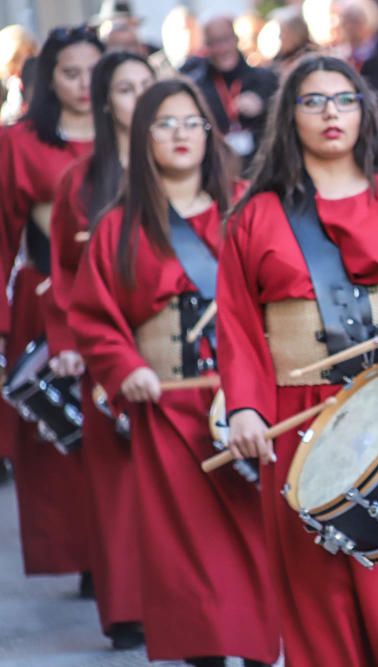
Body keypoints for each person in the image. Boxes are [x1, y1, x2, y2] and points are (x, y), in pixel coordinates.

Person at [216, 54, 378, 666]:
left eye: (344, 99)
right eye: (313, 101)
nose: (331, 113)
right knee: (319, 589)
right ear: (289, 116)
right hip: (301, 421)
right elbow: (237, 325)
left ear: (365, 110)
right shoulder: (255, 215)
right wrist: (247, 408)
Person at [67, 79, 280, 665]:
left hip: (246, 401)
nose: (181, 134)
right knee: (187, 548)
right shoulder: (117, 225)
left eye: (193, 122)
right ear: (142, 138)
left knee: (255, 541)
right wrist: (125, 365)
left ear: (210, 134)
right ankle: (205, 655)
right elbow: (92, 315)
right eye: (165, 123)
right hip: (168, 407)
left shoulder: (249, 206)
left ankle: (261, 651)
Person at [47, 50, 152, 650]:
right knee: (117, 489)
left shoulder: (191, 169)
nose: (136, 98)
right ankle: (129, 609)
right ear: (105, 100)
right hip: (108, 343)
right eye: (124, 89)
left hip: (185, 351)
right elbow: (63, 269)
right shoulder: (81, 180)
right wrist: (69, 341)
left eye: (147, 86)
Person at [0, 25, 102, 588]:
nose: (84, 85)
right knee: (61, 440)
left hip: (127, 301)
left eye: (93, 72)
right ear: (47, 78)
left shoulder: (134, 134)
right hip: (46, 301)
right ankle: (88, 557)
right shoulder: (18, 142)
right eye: (69, 73)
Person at [186, 16, 278, 166]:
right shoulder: (197, 87)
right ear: (206, 47)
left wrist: (263, 104)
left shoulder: (266, 79)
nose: (221, 48)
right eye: (213, 42)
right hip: (218, 167)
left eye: (225, 39)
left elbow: (283, 119)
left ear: (236, 39)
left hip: (263, 165)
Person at [337, 0, 378, 105]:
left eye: (354, 21)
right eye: (345, 21)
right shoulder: (340, 55)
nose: (349, 27)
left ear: (368, 22)